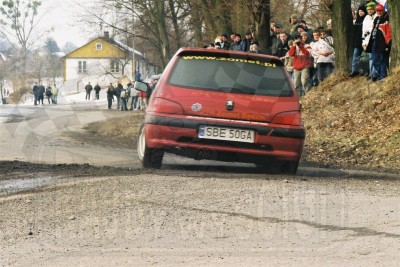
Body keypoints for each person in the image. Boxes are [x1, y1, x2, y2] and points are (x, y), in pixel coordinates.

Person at [368, 4, 391, 81]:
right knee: (375, 59)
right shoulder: (376, 19)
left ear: (383, 10)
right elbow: (373, 30)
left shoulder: (386, 18)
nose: (379, 12)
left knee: (382, 59)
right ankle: (378, 75)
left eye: (380, 11)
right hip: (375, 41)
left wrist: (387, 42)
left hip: (382, 42)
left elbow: (388, 31)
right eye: (377, 11)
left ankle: (383, 75)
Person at [350, 5, 367, 77]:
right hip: (357, 42)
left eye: (362, 11)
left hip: (364, 42)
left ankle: (364, 71)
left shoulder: (366, 19)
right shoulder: (357, 21)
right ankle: (354, 71)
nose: (360, 13)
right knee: (355, 57)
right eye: (359, 11)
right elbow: (354, 33)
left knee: (364, 58)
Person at [362, 2, 378, 79]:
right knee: (371, 58)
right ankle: (371, 73)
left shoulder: (377, 16)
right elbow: (364, 31)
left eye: (371, 9)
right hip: (368, 40)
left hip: (375, 39)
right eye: (368, 10)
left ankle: (374, 74)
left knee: (375, 57)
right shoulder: (366, 18)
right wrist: (364, 42)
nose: (370, 11)